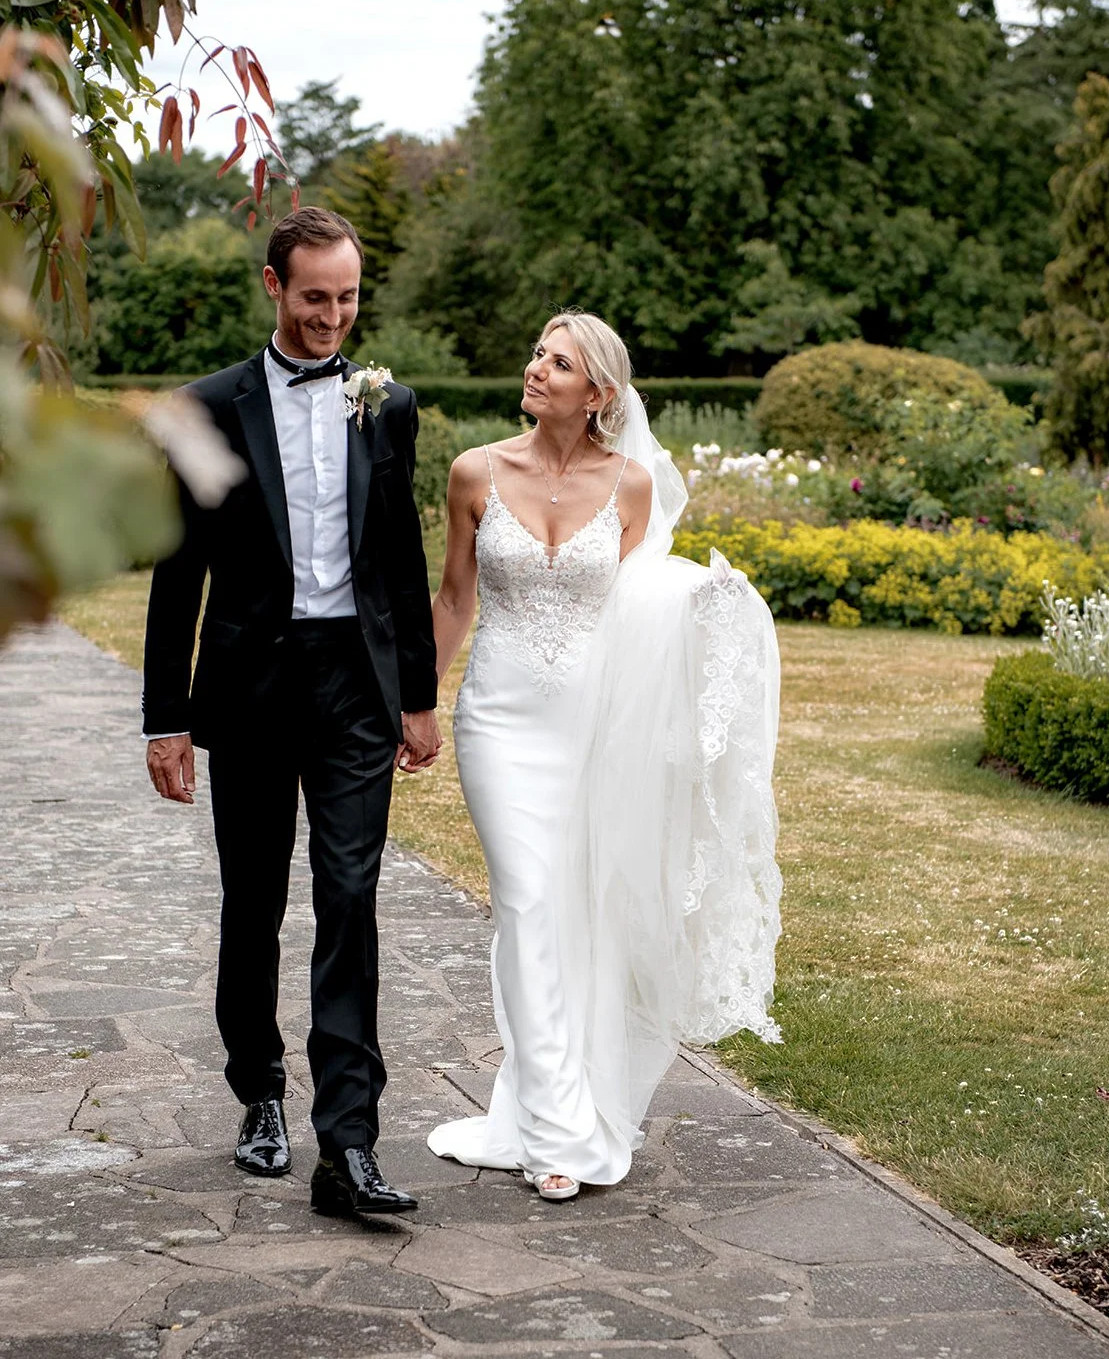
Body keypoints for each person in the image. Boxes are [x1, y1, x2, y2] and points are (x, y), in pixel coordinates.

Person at [427, 311, 782, 1201]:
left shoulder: (633, 488)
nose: (536, 369)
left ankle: (551, 1097)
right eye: (538, 354)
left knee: (569, 913)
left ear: (601, 395)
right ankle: (554, 1136)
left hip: (591, 725)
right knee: (527, 896)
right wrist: (417, 703)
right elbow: (454, 598)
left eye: (560, 362)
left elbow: (642, 602)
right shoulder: (475, 471)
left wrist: (710, 603)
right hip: (498, 723)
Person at [142, 206, 441, 1217]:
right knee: (255, 899)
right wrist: (164, 717)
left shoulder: (385, 403)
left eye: (348, 296)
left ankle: (348, 1142)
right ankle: (260, 1093)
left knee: (350, 901)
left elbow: (397, 556)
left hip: (356, 685)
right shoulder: (209, 407)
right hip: (253, 686)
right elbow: (177, 573)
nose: (332, 317)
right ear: (273, 286)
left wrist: (418, 696)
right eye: (315, 296)